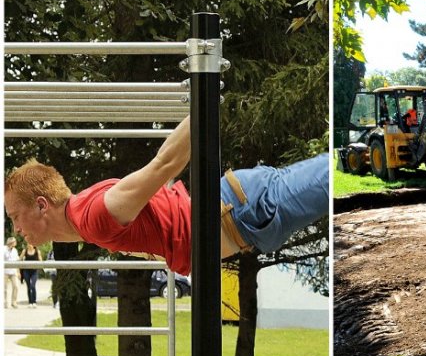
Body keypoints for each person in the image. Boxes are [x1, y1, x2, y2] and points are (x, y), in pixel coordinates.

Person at [5, 116, 330, 276]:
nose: (16, 229)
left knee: (331, 178)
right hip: (244, 211)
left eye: (14, 216)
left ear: (41, 205)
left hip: (244, 211)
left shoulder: (94, 217)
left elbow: (165, 165)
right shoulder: (84, 216)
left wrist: (206, 87)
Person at [19, 243, 41, 308]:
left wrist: (38, 265)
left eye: (30, 244)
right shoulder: (24, 251)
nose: (29, 245)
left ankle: (34, 301)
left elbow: (40, 260)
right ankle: (30, 302)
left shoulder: (37, 251)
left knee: (33, 285)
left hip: (34, 271)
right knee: (28, 286)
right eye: (28, 244)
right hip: (26, 271)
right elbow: (19, 259)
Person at [4, 238, 20, 308]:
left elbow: (17, 262)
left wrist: (18, 271)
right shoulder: (3, 249)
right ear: (11, 243)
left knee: (16, 286)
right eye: (14, 242)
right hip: (5, 271)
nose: (15, 243)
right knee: (4, 288)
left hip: (13, 271)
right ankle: (4, 302)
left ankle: (14, 302)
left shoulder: (15, 250)